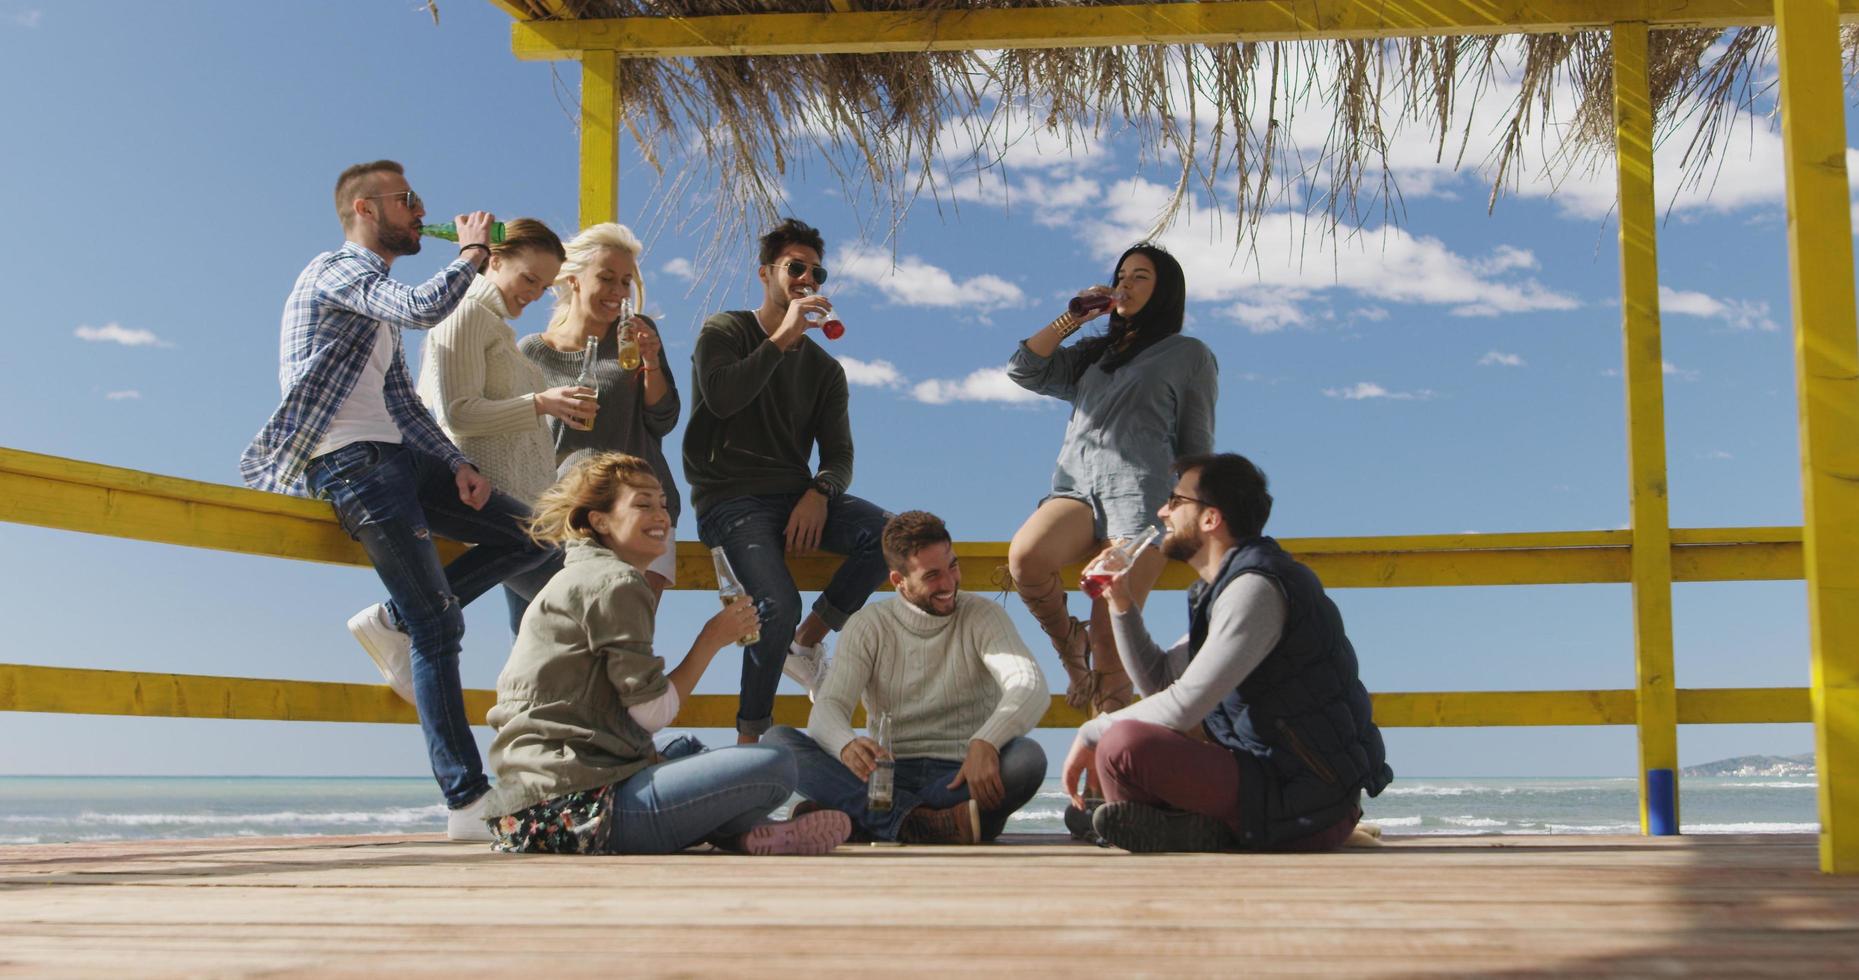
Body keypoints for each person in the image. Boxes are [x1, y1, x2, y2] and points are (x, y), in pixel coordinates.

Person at [239, 160, 553, 841]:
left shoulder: (373, 301)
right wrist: (472, 251)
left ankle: (390, 621)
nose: (419, 211)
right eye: (406, 200)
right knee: (439, 624)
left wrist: (457, 462)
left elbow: (404, 404)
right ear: (363, 208)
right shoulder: (336, 271)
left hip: (402, 459)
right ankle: (467, 802)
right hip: (350, 465)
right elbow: (421, 308)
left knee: (534, 534)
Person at [479, 452, 853, 855]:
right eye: (642, 504)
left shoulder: (579, 575)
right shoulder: (616, 583)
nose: (662, 516)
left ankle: (748, 833)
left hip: (528, 808)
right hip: (576, 811)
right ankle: (747, 830)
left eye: (662, 504)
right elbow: (652, 713)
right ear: (599, 520)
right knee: (776, 765)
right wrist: (712, 638)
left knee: (685, 749)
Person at [1060, 453, 1393, 853]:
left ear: (1210, 518)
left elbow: (1182, 708)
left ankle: (1194, 829)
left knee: (1121, 745)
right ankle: (1185, 827)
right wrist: (1121, 603)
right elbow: (1161, 683)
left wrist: (1092, 729)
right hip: (1273, 780)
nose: (1164, 511)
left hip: (1310, 803)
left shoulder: (1255, 590)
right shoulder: (1229, 587)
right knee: (1126, 743)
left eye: (1175, 501)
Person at [1005, 243, 1216, 823]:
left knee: (1110, 635)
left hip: (1141, 505)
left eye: (1139, 277)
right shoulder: (1094, 356)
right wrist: (1075, 316)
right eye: (1120, 275)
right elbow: (1024, 368)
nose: (1125, 284)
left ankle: (1105, 796)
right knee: (1025, 559)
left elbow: (1197, 440)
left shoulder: (1189, 354)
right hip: (1076, 490)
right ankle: (1065, 645)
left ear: (1165, 290)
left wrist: (1193, 508)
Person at [684, 217, 892, 744]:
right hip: (730, 499)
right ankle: (749, 744)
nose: (807, 279)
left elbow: (840, 455)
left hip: (796, 496)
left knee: (894, 535)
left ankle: (808, 643)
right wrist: (783, 337)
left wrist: (820, 493)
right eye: (795, 267)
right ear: (765, 273)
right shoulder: (724, 331)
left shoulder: (826, 371)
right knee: (775, 603)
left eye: (816, 271)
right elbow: (724, 398)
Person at [764, 511, 1051, 844]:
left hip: (960, 774)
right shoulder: (870, 624)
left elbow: (1029, 684)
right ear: (898, 581)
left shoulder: (983, 615)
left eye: (953, 566)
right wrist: (845, 745)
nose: (949, 584)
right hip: (883, 776)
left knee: (1027, 759)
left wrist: (986, 740)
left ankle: (863, 819)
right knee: (777, 743)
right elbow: (829, 706)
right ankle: (923, 823)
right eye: (932, 576)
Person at [416, 218, 584, 633]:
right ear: (493, 259)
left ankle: (406, 626)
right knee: (582, 616)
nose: (533, 293)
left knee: (536, 639)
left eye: (543, 287)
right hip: (492, 508)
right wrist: (542, 403)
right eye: (529, 278)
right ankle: (403, 622)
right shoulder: (466, 311)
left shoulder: (496, 328)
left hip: (526, 513)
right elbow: (457, 413)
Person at [521, 223, 681, 597]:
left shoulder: (637, 335)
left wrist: (652, 363)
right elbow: (519, 436)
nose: (618, 292)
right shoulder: (531, 352)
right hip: (564, 519)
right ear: (573, 279)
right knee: (545, 642)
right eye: (607, 278)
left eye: (625, 282)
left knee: (626, 639)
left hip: (641, 510)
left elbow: (664, 418)